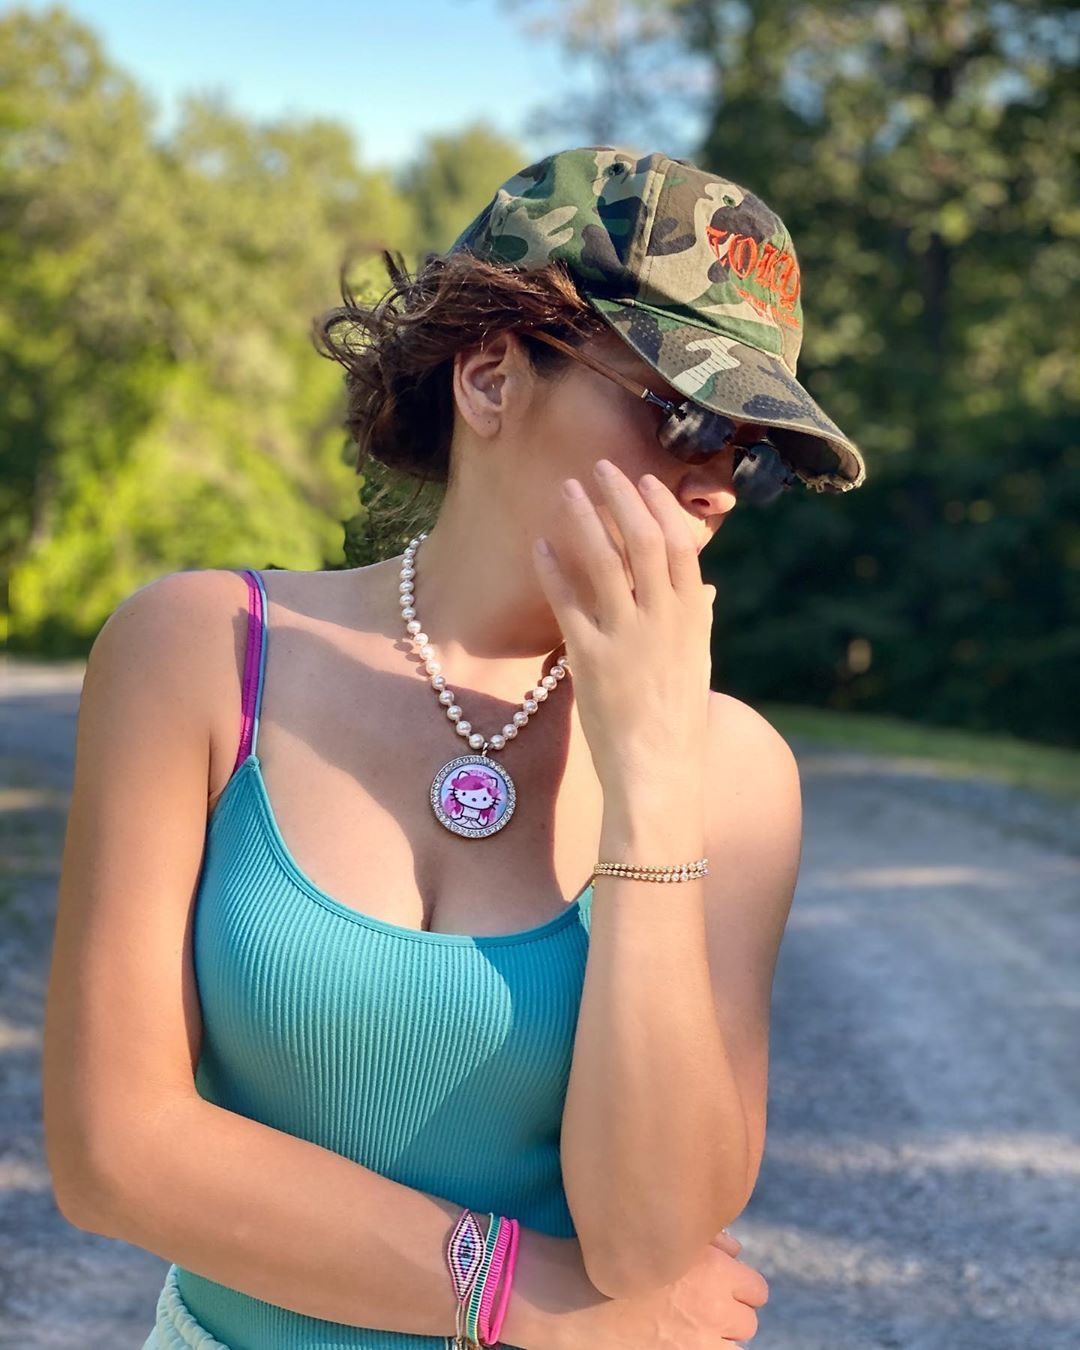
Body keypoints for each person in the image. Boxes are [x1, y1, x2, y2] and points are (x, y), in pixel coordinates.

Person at [42, 145, 866, 1349]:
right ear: (490, 377)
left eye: (749, 451)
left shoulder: (734, 773)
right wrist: (517, 1295)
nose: (717, 487)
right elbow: (112, 1152)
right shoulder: (203, 652)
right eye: (685, 413)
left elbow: (647, 1245)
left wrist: (650, 778)